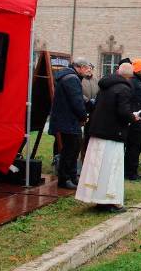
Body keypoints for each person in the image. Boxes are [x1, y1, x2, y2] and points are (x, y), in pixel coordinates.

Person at [76, 62, 140, 212]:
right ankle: (107, 201)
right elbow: (123, 112)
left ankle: (96, 199)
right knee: (110, 168)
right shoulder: (124, 89)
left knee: (95, 168)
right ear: (130, 76)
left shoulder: (105, 86)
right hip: (112, 135)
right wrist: (133, 117)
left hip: (98, 132)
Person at [49, 57, 91, 189]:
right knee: (70, 151)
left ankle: (72, 176)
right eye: (87, 68)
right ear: (80, 67)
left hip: (67, 119)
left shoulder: (69, 77)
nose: (88, 71)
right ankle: (64, 179)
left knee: (74, 149)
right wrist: (84, 116)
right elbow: (76, 102)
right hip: (69, 120)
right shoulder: (72, 79)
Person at [125, 58, 141, 182]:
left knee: (136, 146)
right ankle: (131, 172)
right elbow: (130, 99)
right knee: (134, 146)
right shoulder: (133, 82)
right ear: (138, 69)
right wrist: (134, 114)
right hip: (136, 119)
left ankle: (131, 170)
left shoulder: (140, 81)